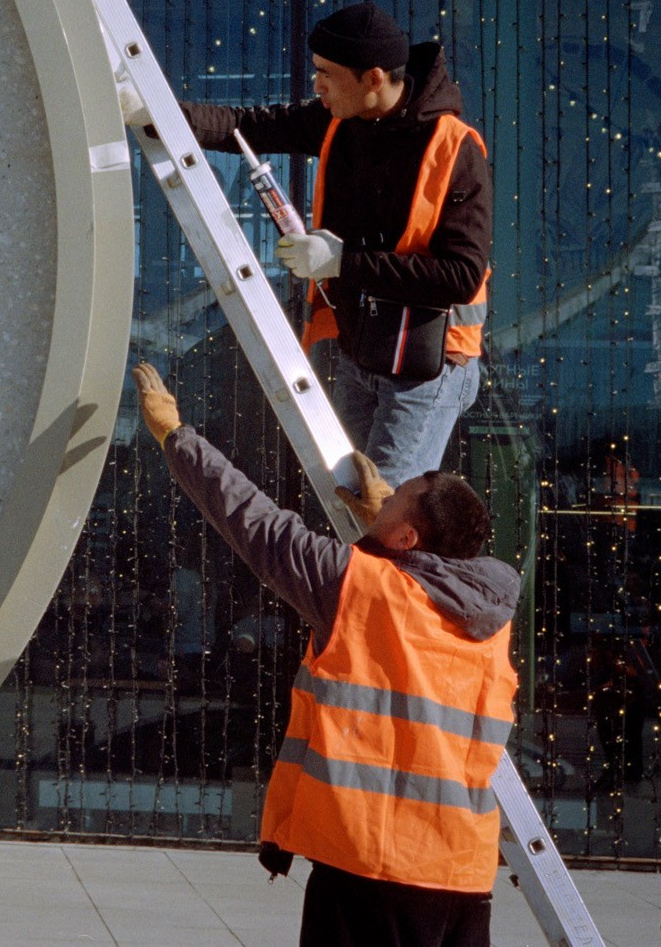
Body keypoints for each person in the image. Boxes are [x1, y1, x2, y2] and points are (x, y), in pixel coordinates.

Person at [130, 362, 519, 947]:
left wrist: (174, 436)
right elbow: (425, 582)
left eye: (397, 500)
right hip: (461, 873)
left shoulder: (356, 585)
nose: (384, 498)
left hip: (371, 867)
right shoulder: (492, 619)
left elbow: (253, 520)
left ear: (408, 539)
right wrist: (386, 525)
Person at [155, 2, 492, 485]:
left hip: (429, 364)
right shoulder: (340, 119)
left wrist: (341, 262)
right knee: (350, 501)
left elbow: (460, 276)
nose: (317, 85)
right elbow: (247, 125)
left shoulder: (455, 149)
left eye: (326, 74)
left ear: (373, 78)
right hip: (360, 353)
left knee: (381, 512)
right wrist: (159, 115)